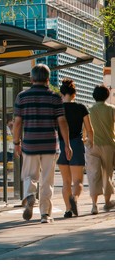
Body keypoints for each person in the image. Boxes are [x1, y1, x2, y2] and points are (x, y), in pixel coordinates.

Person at [13, 64, 72, 224]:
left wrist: (16, 142)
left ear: (31, 79)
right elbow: (62, 121)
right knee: (47, 180)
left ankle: (30, 196)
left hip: (30, 144)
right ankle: (45, 214)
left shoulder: (22, 96)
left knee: (29, 175)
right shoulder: (55, 97)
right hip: (50, 145)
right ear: (47, 79)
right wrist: (67, 144)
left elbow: (17, 122)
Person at [57, 78, 94, 218]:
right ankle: (75, 199)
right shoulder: (81, 107)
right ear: (74, 94)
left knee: (66, 181)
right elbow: (89, 129)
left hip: (61, 145)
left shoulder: (58, 109)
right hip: (77, 145)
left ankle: (68, 210)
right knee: (78, 181)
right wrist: (91, 142)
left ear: (62, 94)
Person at [85, 85, 115, 214]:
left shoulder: (89, 109)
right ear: (107, 95)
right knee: (107, 174)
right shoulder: (111, 109)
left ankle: (94, 205)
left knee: (93, 174)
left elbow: (84, 128)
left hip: (91, 144)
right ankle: (107, 202)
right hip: (108, 145)